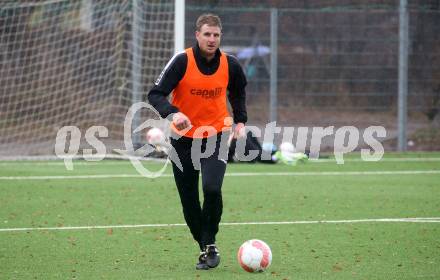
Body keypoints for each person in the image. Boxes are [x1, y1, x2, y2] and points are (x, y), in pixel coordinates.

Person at [147, 13, 247, 270]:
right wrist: (173, 112)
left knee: (212, 189)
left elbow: (237, 92)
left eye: (216, 35)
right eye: (207, 34)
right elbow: (155, 94)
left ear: (220, 36)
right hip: (182, 139)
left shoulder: (230, 64)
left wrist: (240, 121)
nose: (212, 39)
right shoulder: (182, 61)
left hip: (216, 134)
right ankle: (204, 246)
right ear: (197, 35)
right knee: (189, 199)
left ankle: (210, 243)